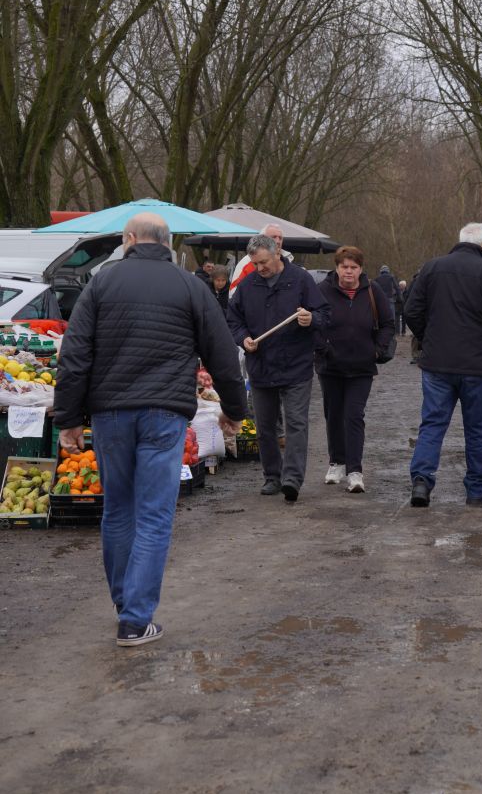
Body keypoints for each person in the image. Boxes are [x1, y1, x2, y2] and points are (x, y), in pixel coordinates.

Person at [53, 214, 247, 647]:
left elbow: (75, 354)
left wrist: (67, 419)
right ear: (168, 243)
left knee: (118, 510)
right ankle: (136, 619)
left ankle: (126, 606)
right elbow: (221, 353)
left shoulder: (101, 284)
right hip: (165, 414)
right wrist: (234, 411)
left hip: (111, 414)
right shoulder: (190, 286)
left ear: (129, 240)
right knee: (155, 515)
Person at [404, 222, 482, 507]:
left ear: (460, 240)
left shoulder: (431, 268)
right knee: (477, 428)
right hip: (477, 365)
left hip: (438, 363)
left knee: (433, 424)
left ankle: (421, 482)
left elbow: (411, 310)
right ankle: (476, 490)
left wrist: (429, 340)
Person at [227, 234, 330, 503]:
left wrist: (311, 319)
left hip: (296, 364)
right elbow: (233, 320)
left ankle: (292, 479)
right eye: (255, 263)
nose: (260, 268)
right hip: (261, 366)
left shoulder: (301, 279)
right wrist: (243, 338)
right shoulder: (248, 285)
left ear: (277, 253)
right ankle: (272, 475)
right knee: (265, 427)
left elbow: (324, 314)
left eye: (263, 262)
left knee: (296, 423)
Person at [315, 245, 395, 493]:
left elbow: (388, 323)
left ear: (361, 269)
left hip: (362, 366)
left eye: (354, 267)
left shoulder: (373, 290)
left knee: (354, 415)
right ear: (337, 267)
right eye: (344, 267)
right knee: (334, 414)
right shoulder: (322, 291)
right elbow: (313, 324)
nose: (349, 272)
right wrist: (324, 348)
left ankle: (355, 470)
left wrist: (378, 350)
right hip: (330, 366)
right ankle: (336, 462)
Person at [229, 223, 293, 296]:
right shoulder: (248, 261)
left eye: (280, 238)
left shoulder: (289, 259)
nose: (278, 241)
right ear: (262, 239)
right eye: (274, 237)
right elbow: (233, 291)